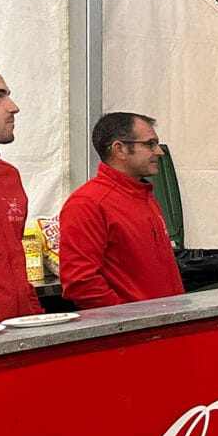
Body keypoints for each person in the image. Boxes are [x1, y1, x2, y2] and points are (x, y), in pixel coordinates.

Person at [59, 111, 184, 308]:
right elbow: (80, 283)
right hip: (138, 331)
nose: (159, 151)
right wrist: (126, 321)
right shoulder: (88, 203)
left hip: (162, 325)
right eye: (150, 144)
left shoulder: (143, 194)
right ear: (120, 149)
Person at [0, 58, 43, 322]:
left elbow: (16, 265)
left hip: (18, 337)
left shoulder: (8, 176)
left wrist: (35, 320)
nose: (14, 107)